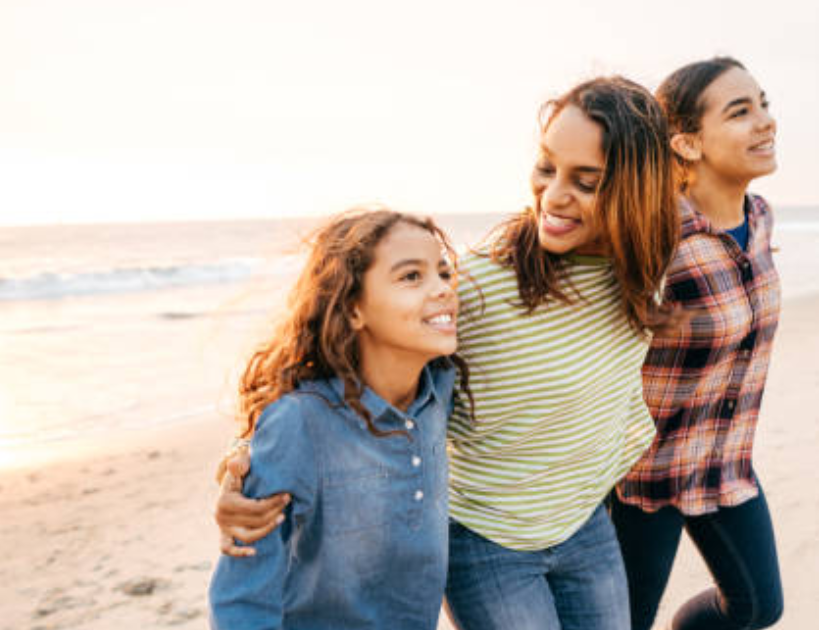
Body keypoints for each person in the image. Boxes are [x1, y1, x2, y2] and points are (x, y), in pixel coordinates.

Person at [213, 77, 682, 630]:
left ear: (638, 190)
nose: (553, 195)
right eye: (546, 166)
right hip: (488, 543)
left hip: (585, 525)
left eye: (587, 181)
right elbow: (356, 365)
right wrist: (246, 461)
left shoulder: (645, 269)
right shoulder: (481, 285)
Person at [207, 208, 468, 629]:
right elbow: (242, 596)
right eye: (411, 277)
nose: (443, 290)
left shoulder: (438, 394)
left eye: (443, 272)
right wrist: (240, 456)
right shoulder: (300, 422)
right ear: (352, 310)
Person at [609, 56, 786, 630]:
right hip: (642, 478)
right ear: (685, 143)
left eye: (764, 104)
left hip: (725, 461)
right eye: (741, 112)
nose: (766, 122)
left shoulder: (759, 219)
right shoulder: (654, 236)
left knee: (758, 606)